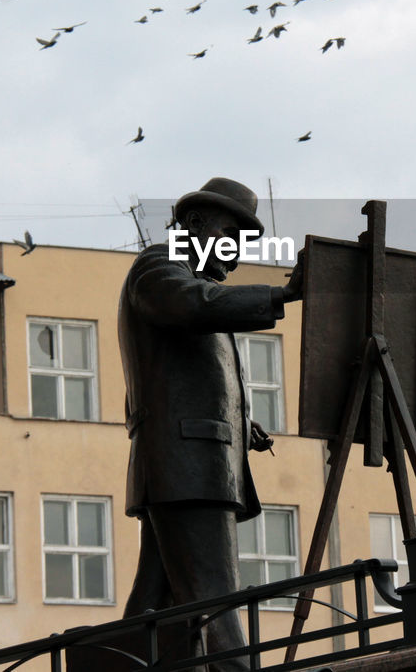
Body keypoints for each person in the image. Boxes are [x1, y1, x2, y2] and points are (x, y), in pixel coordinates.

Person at [118, 177, 301, 670]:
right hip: (190, 466)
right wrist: (283, 294)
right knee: (214, 597)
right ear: (195, 225)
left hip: (191, 461)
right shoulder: (159, 266)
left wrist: (242, 424)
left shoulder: (185, 281)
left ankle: (112, 664)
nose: (237, 255)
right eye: (231, 238)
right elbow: (192, 306)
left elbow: (180, 377)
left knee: (154, 606)